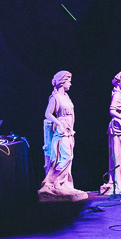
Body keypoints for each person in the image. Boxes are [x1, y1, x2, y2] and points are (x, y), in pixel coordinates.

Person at [40, 70, 86, 200]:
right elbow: (48, 114)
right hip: (61, 130)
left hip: (69, 129)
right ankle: (53, 183)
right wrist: (58, 123)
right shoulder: (55, 97)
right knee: (65, 158)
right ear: (62, 81)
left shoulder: (66, 96)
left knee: (69, 157)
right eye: (69, 81)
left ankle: (64, 184)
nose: (71, 83)